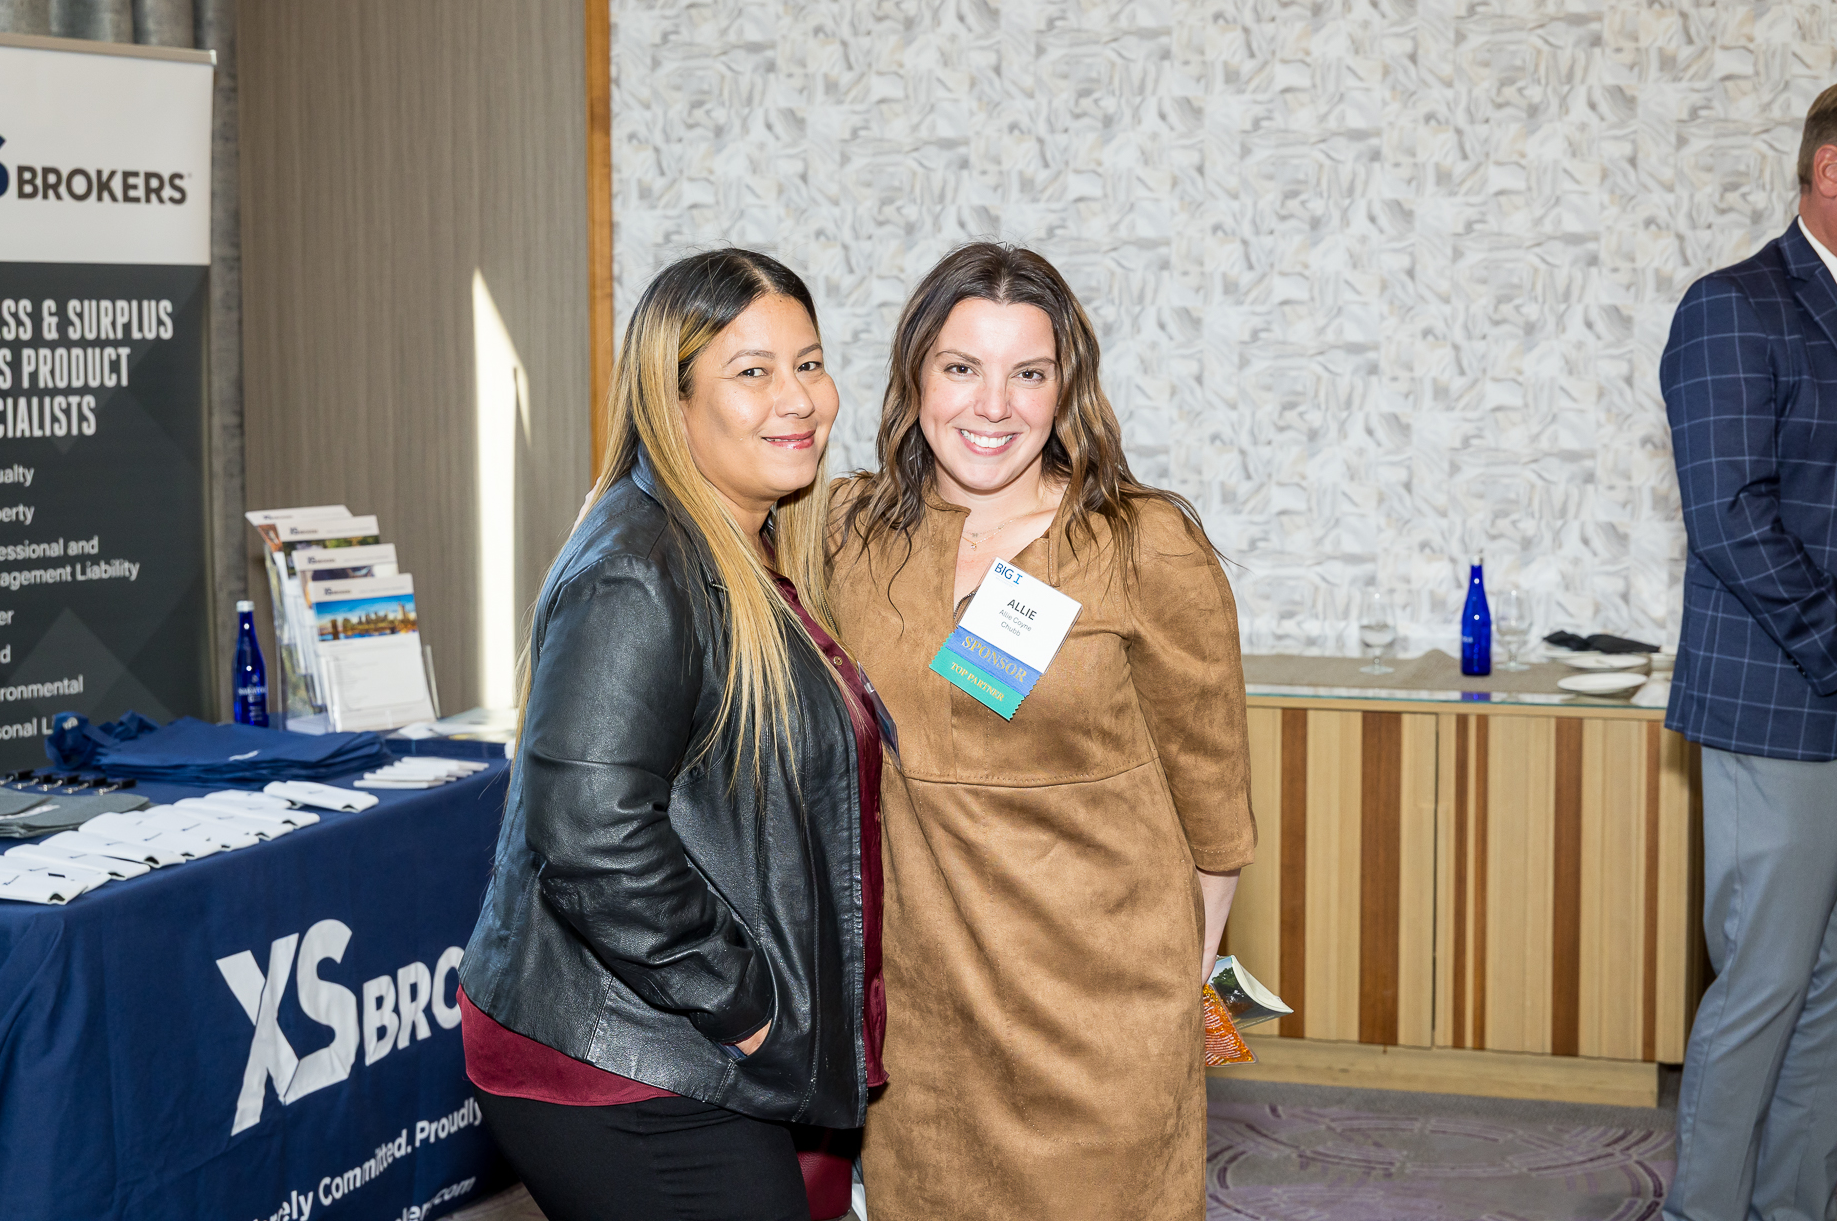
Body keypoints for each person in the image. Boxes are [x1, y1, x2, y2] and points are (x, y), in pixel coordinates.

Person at [457, 249, 888, 1221]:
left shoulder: (747, 543)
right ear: (672, 399)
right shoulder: (640, 566)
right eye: (752, 371)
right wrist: (746, 1007)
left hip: (680, 1034)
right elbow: (589, 834)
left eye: (809, 364)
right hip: (623, 1057)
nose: (798, 398)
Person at [829, 242, 1255, 1220]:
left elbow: (1214, 810)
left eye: (1028, 373)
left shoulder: (1141, 544)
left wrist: (1176, 995)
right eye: (961, 367)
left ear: (1067, 390)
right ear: (914, 374)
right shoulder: (847, 534)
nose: (993, 406)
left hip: (1100, 1016)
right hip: (925, 1022)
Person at [1661, 74, 1837, 1221]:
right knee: (1764, 986)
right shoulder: (1733, 307)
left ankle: (1789, 1206)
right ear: (1830, 170)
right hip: (1789, 706)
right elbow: (1730, 516)